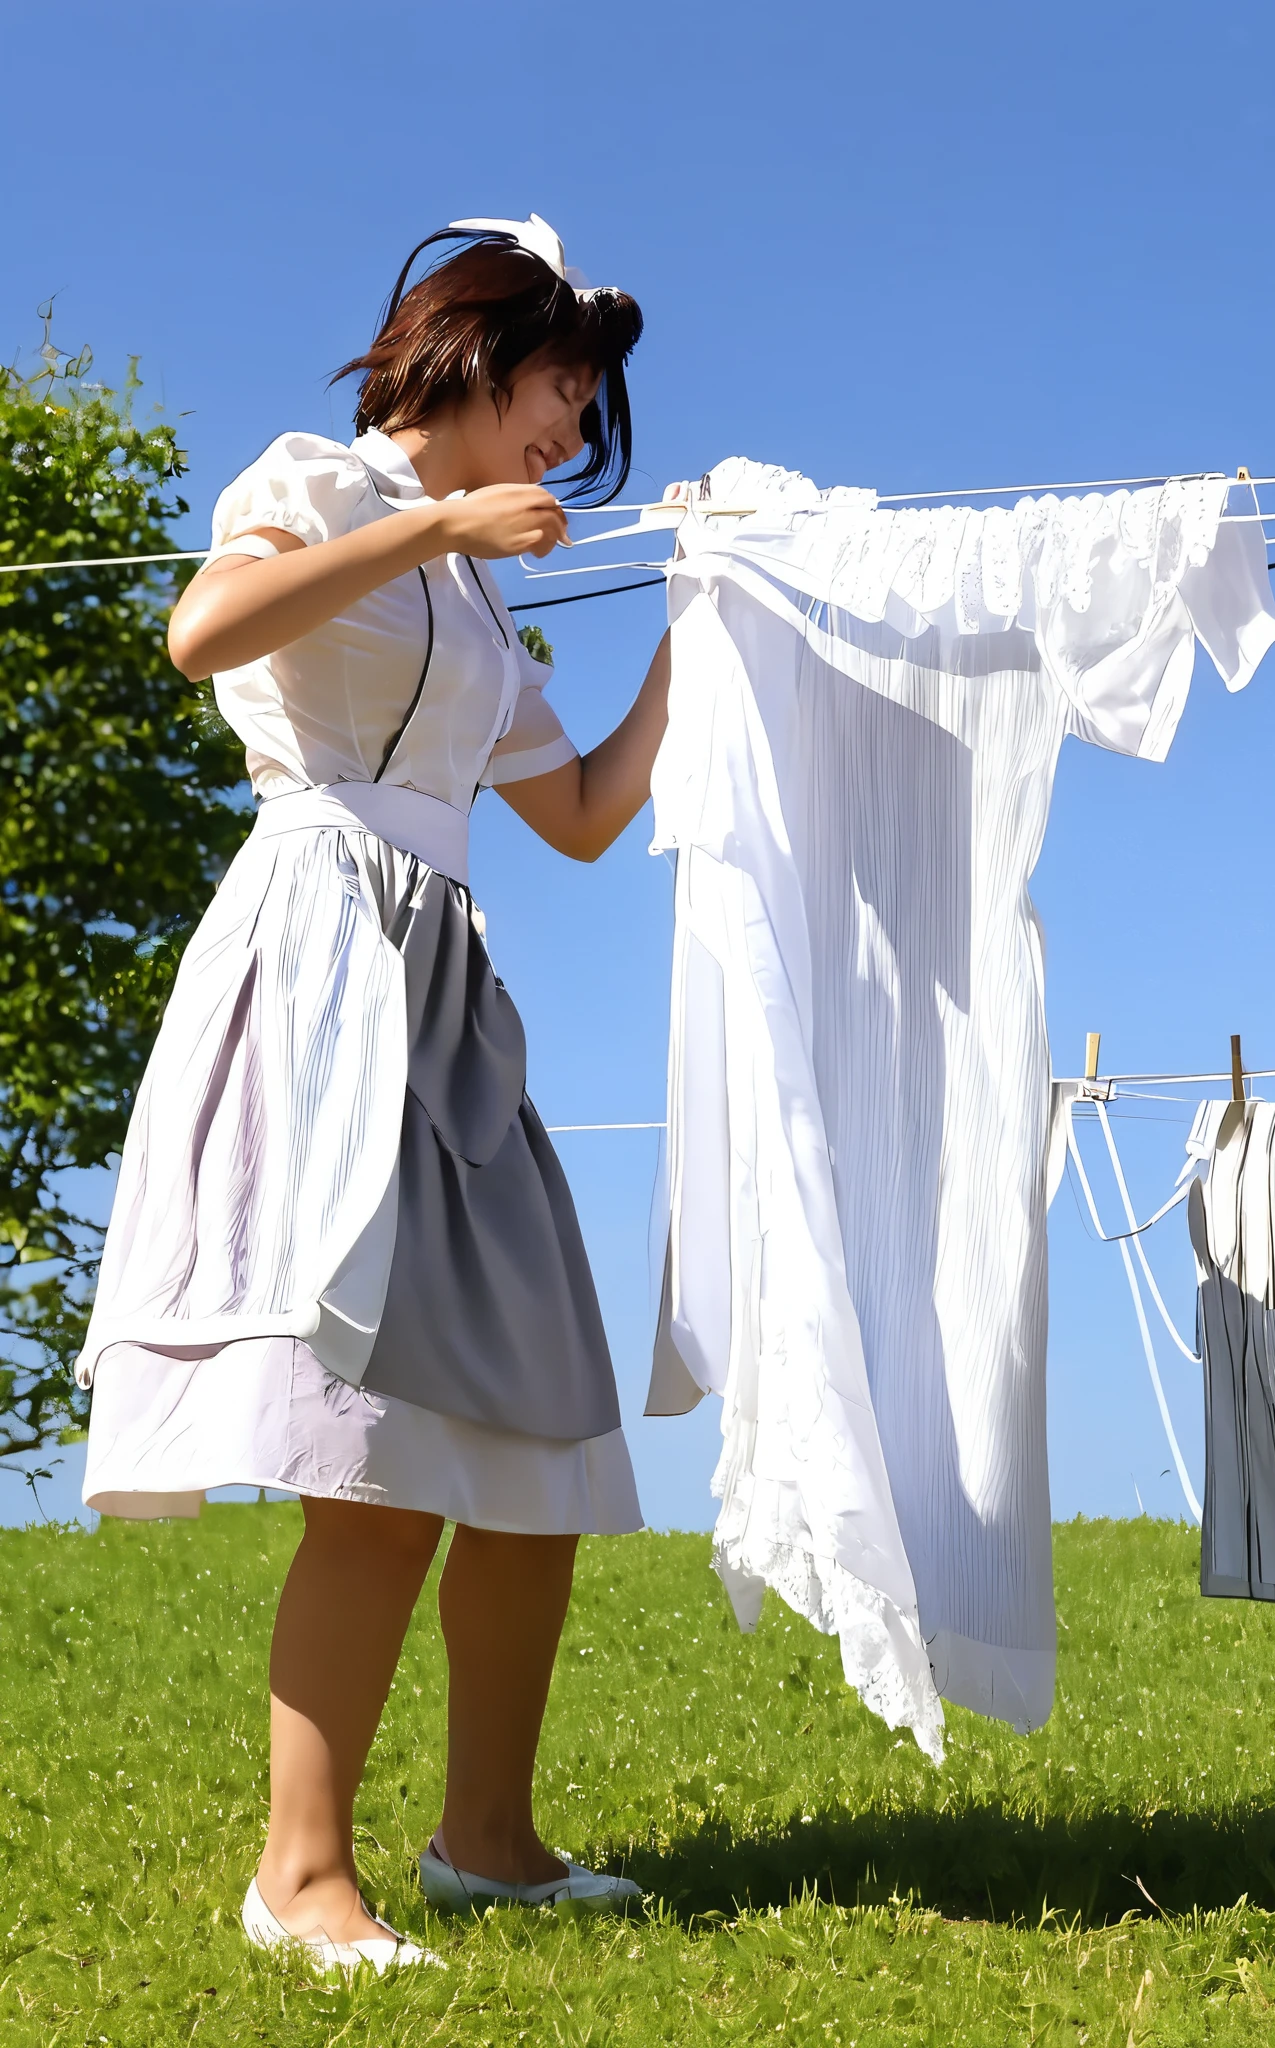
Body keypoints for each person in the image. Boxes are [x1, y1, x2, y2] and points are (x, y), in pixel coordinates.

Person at [74, 215, 668, 1971]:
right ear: (482, 353)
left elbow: (576, 814)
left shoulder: (484, 599)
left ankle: (489, 1841)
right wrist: (433, 521)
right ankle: (298, 1877)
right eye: (569, 391)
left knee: (539, 1425)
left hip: (448, 984)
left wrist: (701, 635)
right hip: (319, 953)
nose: (574, 434)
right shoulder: (322, 481)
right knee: (368, 1452)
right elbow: (205, 631)